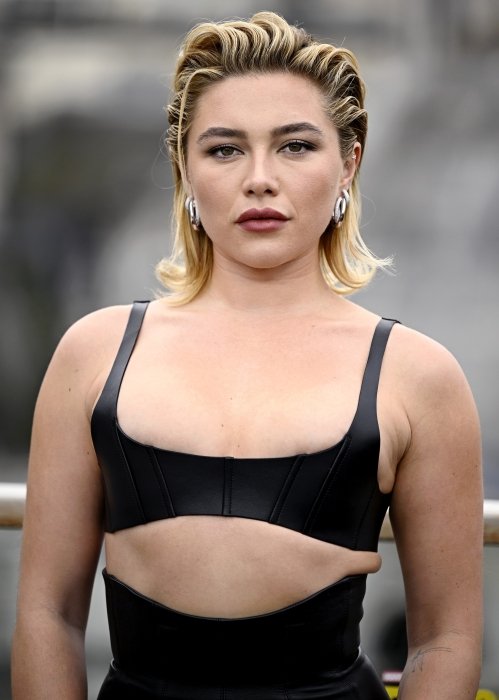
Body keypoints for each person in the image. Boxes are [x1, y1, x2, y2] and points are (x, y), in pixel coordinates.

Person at [11, 11, 483, 700]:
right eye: (225, 149)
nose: (260, 179)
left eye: (295, 146)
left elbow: (446, 638)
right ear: (184, 167)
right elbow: (47, 615)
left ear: (348, 163)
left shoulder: (417, 376)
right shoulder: (94, 354)